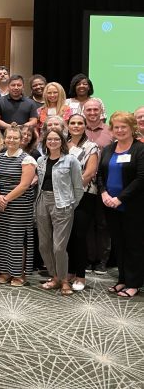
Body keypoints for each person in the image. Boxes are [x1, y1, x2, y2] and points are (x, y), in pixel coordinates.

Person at [97, 111, 144, 299]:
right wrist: (104, 193)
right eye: (116, 127)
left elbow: (141, 178)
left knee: (134, 245)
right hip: (110, 205)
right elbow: (100, 175)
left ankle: (134, 283)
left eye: (124, 126)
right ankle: (122, 280)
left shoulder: (140, 149)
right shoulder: (109, 149)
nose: (120, 130)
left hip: (132, 206)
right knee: (119, 244)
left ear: (132, 128)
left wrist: (120, 198)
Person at [35, 129, 84, 295]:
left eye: (56, 139)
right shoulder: (41, 160)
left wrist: (71, 205)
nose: (53, 142)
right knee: (43, 245)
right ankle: (54, 276)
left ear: (62, 142)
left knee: (59, 247)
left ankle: (64, 281)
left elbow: (78, 187)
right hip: (42, 202)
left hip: (63, 205)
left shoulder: (70, 161)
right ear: (45, 142)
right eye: (50, 139)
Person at [0, 126, 37, 286]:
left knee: (16, 240)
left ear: (21, 140)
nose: (11, 140)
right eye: (9, 137)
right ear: (4, 138)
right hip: (1, 203)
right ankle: (4, 271)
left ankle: (18, 274)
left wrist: (6, 199)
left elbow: (24, 185)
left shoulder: (27, 159)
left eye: (15, 138)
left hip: (19, 205)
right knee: (2, 238)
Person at [65, 114, 99, 292]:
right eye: (73, 123)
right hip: (63, 197)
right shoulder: (63, 144)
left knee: (79, 235)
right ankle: (70, 271)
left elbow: (89, 172)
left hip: (84, 196)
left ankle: (80, 276)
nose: (76, 126)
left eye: (80, 123)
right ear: (67, 125)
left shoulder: (91, 146)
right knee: (67, 236)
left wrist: (72, 191)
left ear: (85, 126)